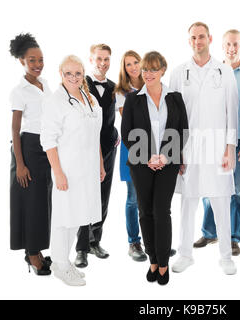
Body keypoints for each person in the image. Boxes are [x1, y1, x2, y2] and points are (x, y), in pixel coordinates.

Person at [170, 22, 238, 275]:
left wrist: (230, 147)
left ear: (209, 38)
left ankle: (225, 256)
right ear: (188, 41)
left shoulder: (224, 71)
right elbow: (172, 114)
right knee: (188, 202)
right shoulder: (179, 72)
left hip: (218, 145)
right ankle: (185, 254)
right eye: (193, 38)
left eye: (201, 37)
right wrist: (175, 150)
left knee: (221, 201)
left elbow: (232, 109)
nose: (197, 41)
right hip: (188, 147)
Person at [121, 51, 188, 285]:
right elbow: (127, 134)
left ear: (162, 70)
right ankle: (152, 260)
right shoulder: (133, 99)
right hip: (141, 164)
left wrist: (167, 157)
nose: (148, 73)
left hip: (168, 164)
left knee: (162, 211)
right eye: (145, 69)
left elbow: (183, 131)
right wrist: (148, 156)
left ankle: (163, 263)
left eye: (153, 69)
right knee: (145, 211)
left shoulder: (175, 97)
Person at [41, 55, 106, 286]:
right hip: (67, 168)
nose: (74, 77)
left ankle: (64, 261)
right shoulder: (55, 101)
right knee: (64, 217)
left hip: (87, 169)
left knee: (78, 215)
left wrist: (100, 164)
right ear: (61, 74)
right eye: (68, 73)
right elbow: (48, 140)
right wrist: (57, 172)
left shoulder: (89, 98)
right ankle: (59, 264)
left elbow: (95, 134)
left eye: (78, 73)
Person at [194, 29, 240, 256]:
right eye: (228, 44)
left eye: (236, 44)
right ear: (222, 46)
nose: (232, 49)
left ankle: (232, 237)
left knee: (239, 191)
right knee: (209, 187)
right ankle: (210, 233)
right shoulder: (213, 72)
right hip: (214, 139)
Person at [9, 33, 52, 276]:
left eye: (41, 59)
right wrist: (20, 164)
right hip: (29, 147)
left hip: (47, 146)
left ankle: (38, 249)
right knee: (32, 203)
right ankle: (32, 254)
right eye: (32, 60)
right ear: (21, 62)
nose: (37, 64)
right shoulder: (19, 91)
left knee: (44, 202)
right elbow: (15, 129)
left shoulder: (45, 84)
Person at [74, 44, 119, 268]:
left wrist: (117, 133)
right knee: (84, 196)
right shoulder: (81, 83)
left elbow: (112, 117)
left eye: (107, 59)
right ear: (91, 60)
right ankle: (81, 247)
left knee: (103, 195)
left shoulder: (113, 86)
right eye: (99, 59)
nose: (103, 63)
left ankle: (95, 241)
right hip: (86, 147)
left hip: (109, 147)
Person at [114, 50, 147, 262]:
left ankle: (153, 241)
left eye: (136, 62)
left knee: (151, 199)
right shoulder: (121, 92)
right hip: (133, 147)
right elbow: (129, 123)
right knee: (134, 198)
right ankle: (133, 242)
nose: (133, 67)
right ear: (124, 69)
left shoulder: (152, 84)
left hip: (153, 148)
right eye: (128, 64)